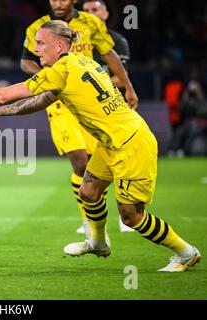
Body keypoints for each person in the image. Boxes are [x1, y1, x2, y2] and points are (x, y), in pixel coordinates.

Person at [0, 21, 201, 272]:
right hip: (111, 142)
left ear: (59, 45)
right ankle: (98, 243)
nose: (36, 49)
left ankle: (185, 252)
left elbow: (1, 94)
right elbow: (41, 101)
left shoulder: (61, 69)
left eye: (41, 44)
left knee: (131, 217)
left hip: (130, 144)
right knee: (89, 192)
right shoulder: (80, 62)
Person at [20, 0, 138, 238]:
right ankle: (89, 221)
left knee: (98, 164)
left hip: (87, 102)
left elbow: (108, 54)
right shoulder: (38, 28)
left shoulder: (90, 23)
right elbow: (25, 62)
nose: (58, 3)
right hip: (59, 103)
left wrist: (128, 86)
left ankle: (106, 215)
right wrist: (49, 77)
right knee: (80, 162)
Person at [83, 0, 133, 232]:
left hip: (113, 109)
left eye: (95, 10)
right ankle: (92, 219)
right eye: (87, 11)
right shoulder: (79, 42)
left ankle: (128, 213)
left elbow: (120, 77)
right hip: (87, 111)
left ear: (105, 13)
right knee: (90, 163)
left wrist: (92, 83)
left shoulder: (116, 42)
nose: (90, 14)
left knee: (120, 162)